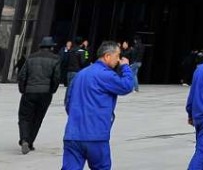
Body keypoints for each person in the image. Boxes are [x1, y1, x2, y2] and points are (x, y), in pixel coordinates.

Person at [62, 40, 134, 170]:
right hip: (95, 134)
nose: (118, 60)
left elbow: (68, 102)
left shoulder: (80, 74)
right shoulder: (105, 75)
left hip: (73, 134)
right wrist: (125, 67)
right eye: (117, 56)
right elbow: (127, 86)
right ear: (107, 56)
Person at [17, 36, 61, 154]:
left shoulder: (31, 57)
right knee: (37, 118)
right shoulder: (55, 59)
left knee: (25, 117)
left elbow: (22, 75)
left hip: (29, 92)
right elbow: (56, 77)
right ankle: (30, 142)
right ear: (51, 47)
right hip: (45, 93)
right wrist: (52, 90)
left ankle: (24, 139)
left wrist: (23, 89)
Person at [63, 38, 90, 104]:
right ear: (81, 43)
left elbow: (66, 60)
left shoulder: (70, 50)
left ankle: (66, 100)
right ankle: (72, 101)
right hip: (77, 71)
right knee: (75, 87)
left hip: (69, 71)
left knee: (69, 86)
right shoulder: (81, 51)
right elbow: (83, 62)